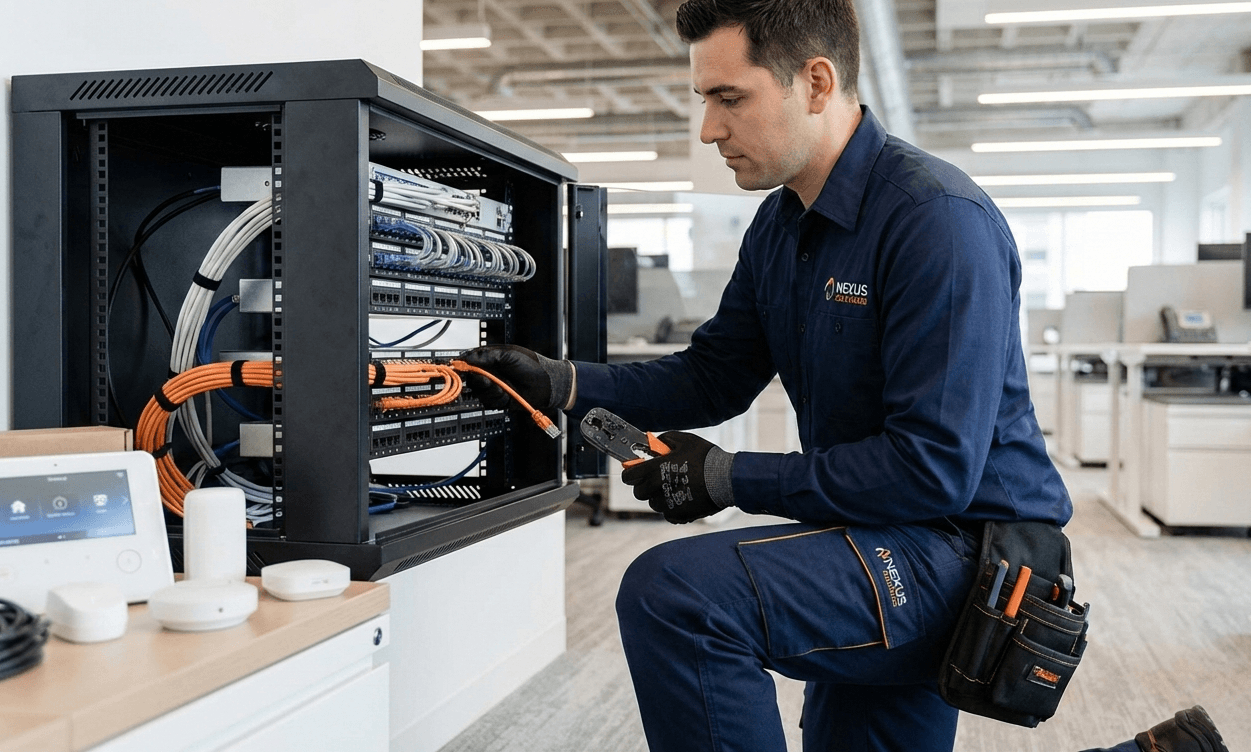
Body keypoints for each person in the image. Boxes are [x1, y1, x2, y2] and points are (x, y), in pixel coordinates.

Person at [460, 2, 1224, 751]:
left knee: (678, 596)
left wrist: (727, 477)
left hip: (967, 557)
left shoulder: (937, 219)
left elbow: (930, 471)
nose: (708, 129)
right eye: (703, 100)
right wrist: (561, 383)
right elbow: (714, 376)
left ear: (816, 83)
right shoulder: (780, 224)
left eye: (730, 98)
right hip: (871, 529)